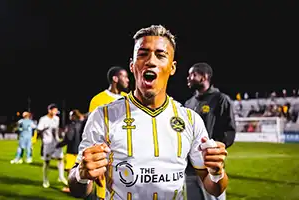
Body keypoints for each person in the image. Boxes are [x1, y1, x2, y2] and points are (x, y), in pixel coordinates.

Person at [68, 25, 228, 200]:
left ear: (172, 67)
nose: (151, 61)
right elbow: (78, 189)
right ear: (132, 65)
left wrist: (216, 172)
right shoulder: (103, 116)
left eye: (160, 55)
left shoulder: (190, 119)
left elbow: (214, 188)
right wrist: (81, 176)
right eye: (142, 54)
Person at [185, 62, 236, 200]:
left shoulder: (220, 99)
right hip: (189, 168)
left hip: (209, 167)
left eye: (193, 74)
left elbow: (230, 131)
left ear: (204, 77)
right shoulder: (189, 103)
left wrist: (214, 150)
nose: (188, 77)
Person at [88, 66, 130, 199]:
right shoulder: (98, 100)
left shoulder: (128, 99)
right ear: (115, 79)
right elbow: (92, 133)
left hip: (127, 158)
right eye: (125, 77)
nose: (128, 80)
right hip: (106, 159)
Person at [37, 103, 68, 188]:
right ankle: (45, 180)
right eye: (54, 110)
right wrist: (45, 129)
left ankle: (61, 177)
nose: (55, 112)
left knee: (61, 159)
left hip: (56, 142)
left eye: (56, 111)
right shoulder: (43, 119)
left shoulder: (56, 119)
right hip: (47, 143)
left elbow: (57, 129)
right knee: (47, 162)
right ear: (49, 110)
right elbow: (39, 130)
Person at [56, 109, 86, 192]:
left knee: (70, 170)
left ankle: (71, 188)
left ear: (73, 116)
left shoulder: (71, 125)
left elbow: (69, 138)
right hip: (81, 150)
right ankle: (81, 188)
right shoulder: (83, 125)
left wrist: (59, 145)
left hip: (71, 150)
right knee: (79, 169)